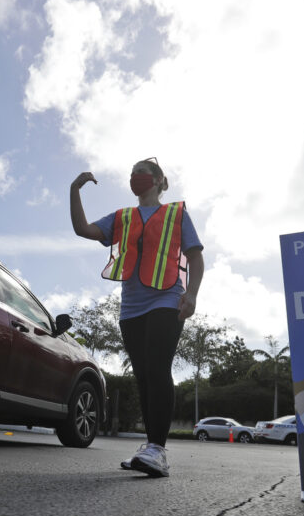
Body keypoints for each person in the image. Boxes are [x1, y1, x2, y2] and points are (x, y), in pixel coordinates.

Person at [70, 158, 204, 477]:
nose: (135, 178)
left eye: (142, 173)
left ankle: (158, 449)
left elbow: (196, 258)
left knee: (158, 369)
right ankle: (150, 449)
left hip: (167, 299)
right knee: (143, 377)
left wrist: (193, 294)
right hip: (131, 308)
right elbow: (83, 229)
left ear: (158, 180)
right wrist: (74, 190)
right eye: (132, 174)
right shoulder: (122, 217)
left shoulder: (176, 214)